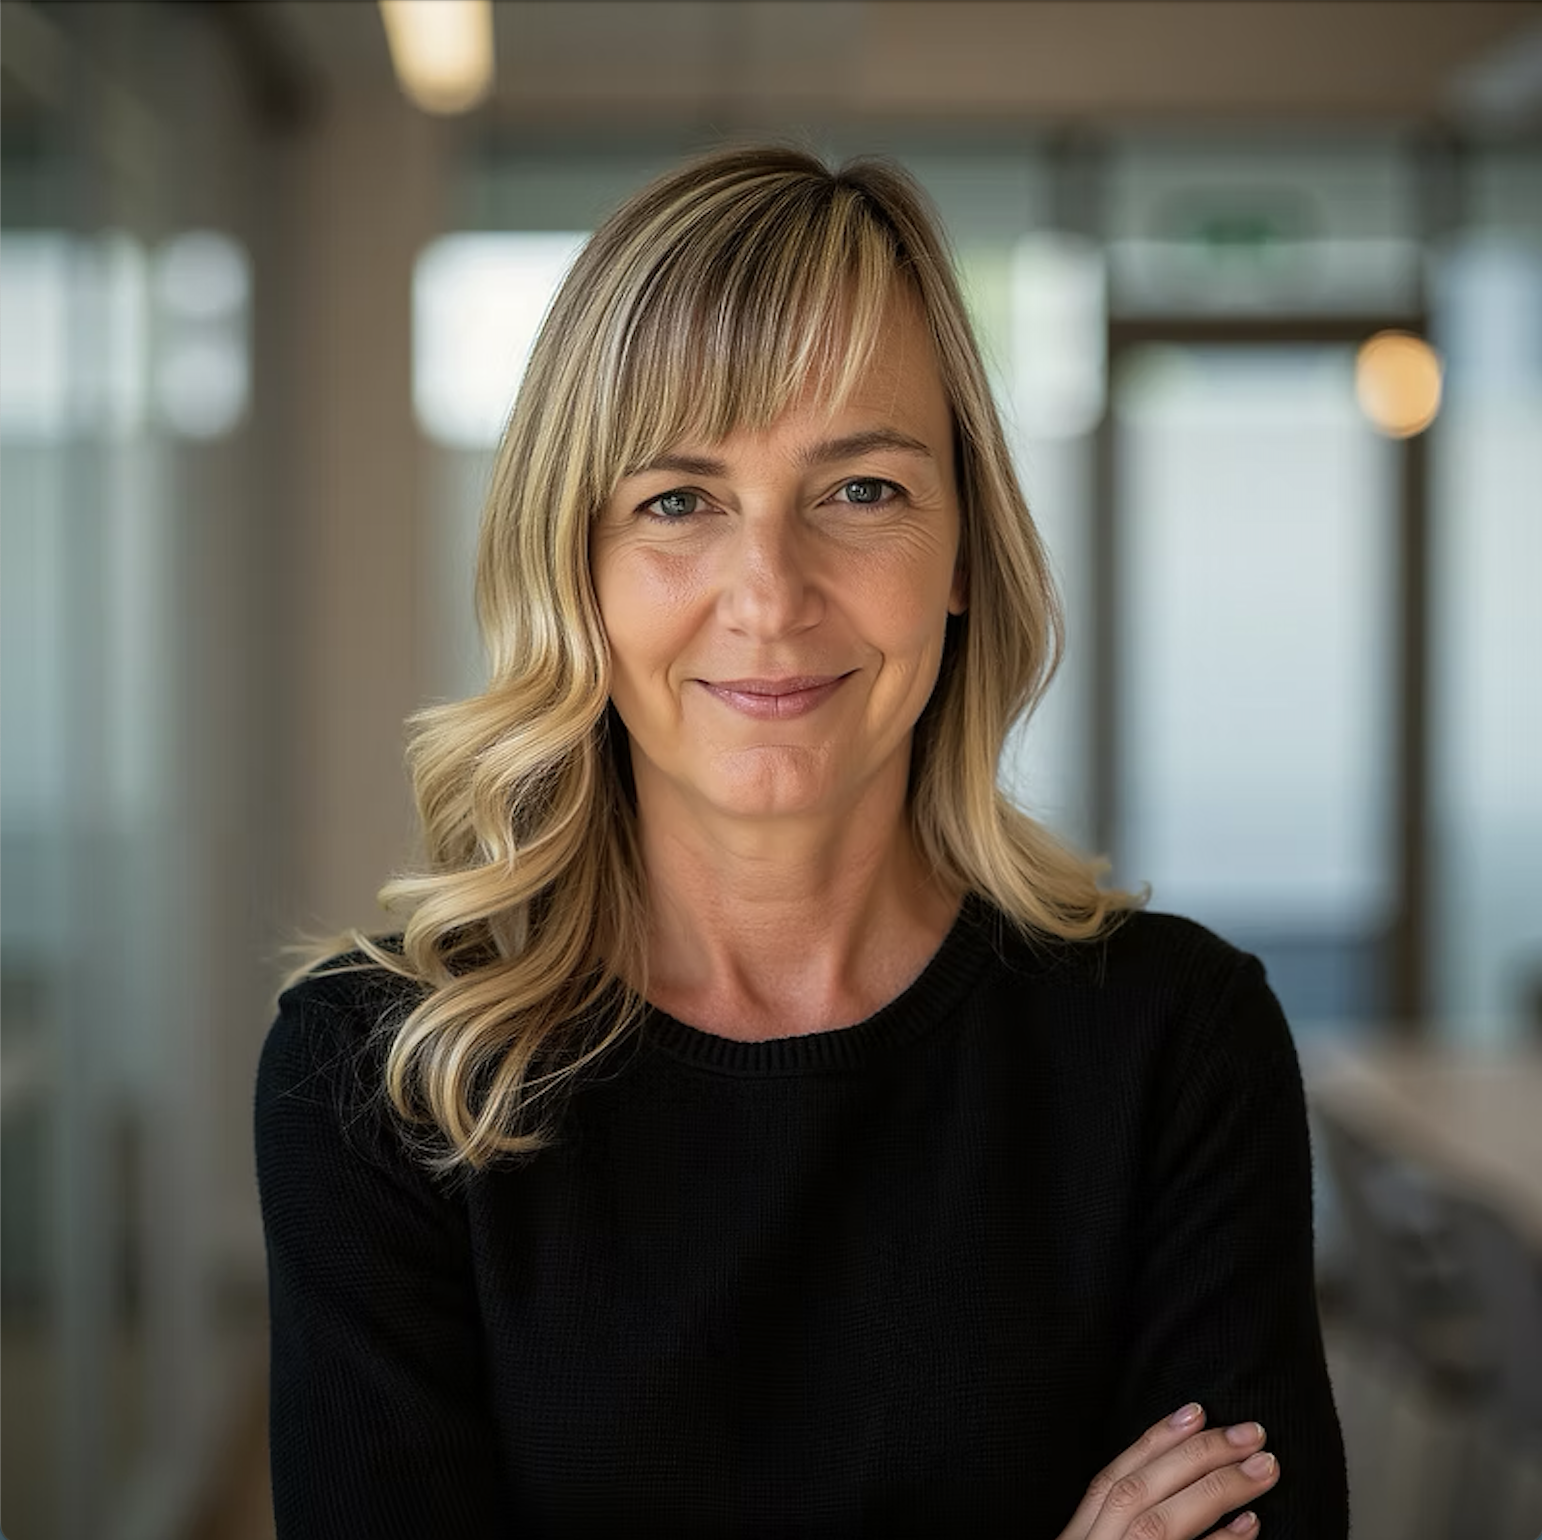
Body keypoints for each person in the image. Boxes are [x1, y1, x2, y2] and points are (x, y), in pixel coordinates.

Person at [255, 145, 1349, 1538]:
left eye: (861, 491)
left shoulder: (1173, 1042)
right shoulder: (382, 1074)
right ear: (570, 568)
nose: (767, 596)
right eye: (676, 501)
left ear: (964, 552)